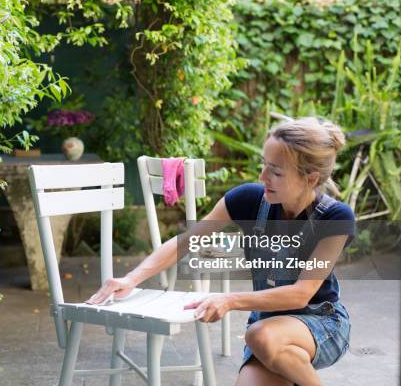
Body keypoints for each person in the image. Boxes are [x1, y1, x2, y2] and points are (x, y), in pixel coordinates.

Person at [86, 117, 355, 386]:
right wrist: (130, 279)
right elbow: (185, 242)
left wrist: (229, 300)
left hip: (322, 323)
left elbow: (301, 294)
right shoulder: (248, 200)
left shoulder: (334, 217)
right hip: (270, 328)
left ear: (310, 179)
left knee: (260, 336)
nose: (263, 177)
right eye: (264, 165)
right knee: (270, 346)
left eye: (276, 171)